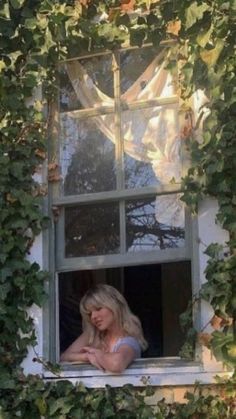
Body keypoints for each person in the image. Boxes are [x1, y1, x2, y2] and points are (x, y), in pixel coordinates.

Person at [60, 284, 148, 373]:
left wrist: (97, 354)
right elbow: (63, 357)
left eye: (98, 309)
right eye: (90, 314)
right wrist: (86, 356)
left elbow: (116, 364)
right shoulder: (92, 334)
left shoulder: (129, 341)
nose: (93, 316)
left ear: (115, 305)